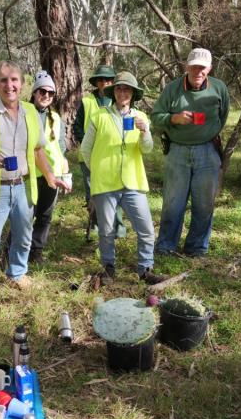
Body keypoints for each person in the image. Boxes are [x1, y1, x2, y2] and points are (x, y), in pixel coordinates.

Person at [0, 61, 68, 323]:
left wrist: (51, 175)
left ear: (22, 84)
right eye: (4, 80)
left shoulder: (31, 111)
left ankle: (17, 273)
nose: (10, 85)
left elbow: (38, 150)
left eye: (15, 80)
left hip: (22, 185)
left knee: (23, 234)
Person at [80, 71, 164, 285]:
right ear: (113, 91)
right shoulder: (100, 116)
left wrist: (145, 132)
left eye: (127, 89)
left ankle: (145, 269)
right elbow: (85, 150)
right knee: (107, 231)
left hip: (133, 182)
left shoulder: (141, 117)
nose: (122, 92)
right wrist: (98, 170)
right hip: (105, 184)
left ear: (133, 94)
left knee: (145, 229)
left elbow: (147, 149)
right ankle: (108, 268)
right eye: (119, 88)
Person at [150, 48, 229, 256]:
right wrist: (173, 119)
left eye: (202, 68)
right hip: (177, 150)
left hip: (208, 150)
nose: (198, 72)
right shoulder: (173, 89)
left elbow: (223, 116)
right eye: (194, 67)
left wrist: (206, 133)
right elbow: (156, 116)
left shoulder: (219, 88)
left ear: (209, 68)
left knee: (204, 204)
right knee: (172, 203)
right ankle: (166, 246)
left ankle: (196, 248)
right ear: (187, 67)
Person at [72, 64, 126, 240]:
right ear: (96, 82)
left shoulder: (118, 100)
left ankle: (118, 227)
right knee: (93, 192)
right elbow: (77, 126)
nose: (105, 82)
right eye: (101, 79)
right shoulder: (87, 102)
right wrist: (87, 143)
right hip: (89, 156)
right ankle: (95, 225)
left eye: (109, 79)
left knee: (117, 189)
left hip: (112, 155)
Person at [27, 70, 71, 264]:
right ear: (34, 93)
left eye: (50, 93)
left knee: (45, 216)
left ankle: (36, 252)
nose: (46, 96)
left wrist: (64, 169)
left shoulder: (56, 117)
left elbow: (60, 146)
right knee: (26, 217)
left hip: (53, 175)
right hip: (29, 174)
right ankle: (11, 252)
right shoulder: (24, 113)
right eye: (42, 91)